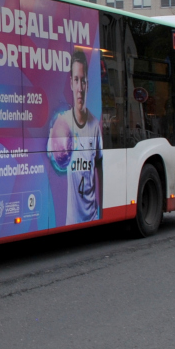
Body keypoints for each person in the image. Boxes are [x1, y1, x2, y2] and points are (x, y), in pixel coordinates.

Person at [47, 48, 103, 225]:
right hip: (71, 221)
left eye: (83, 81)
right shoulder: (62, 124)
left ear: (87, 84)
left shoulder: (95, 127)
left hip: (93, 217)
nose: (80, 89)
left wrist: (102, 209)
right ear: (71, 83)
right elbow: (52, 154)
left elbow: (99, 169)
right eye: (76, 80)